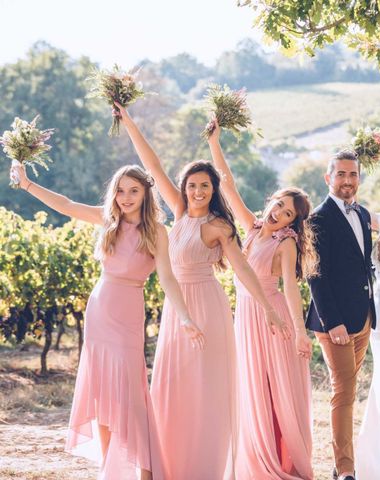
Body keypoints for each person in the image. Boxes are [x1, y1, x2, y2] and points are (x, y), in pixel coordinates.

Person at [115, 105, 284, 479]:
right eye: (192, 185)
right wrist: (128, 121)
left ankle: (202, 468)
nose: (197, 191)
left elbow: (242, 267)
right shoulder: (177, 212)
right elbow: (153, 167)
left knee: (204, 393)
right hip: (177, 310)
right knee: (170, 390)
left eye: (204, 185)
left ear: (212, 189)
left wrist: (269, 309)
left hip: (207, 309)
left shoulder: (218, 226)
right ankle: (166, 467)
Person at [10, 162, 204, 480]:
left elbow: (168, 278)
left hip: (129, 312)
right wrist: (28, 184)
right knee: (101, 393)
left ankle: (145, 472)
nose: (126, 197)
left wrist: (184, 317)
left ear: (145, 194)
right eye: (121, 191)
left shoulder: (156, 231)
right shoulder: (108, 220)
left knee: (131, 394)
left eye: (133, 191)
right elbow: (67, 205)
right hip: (99, 310)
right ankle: (109, 471)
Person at [207, 120, 316, 479]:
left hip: (273, 319)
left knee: (274, 388)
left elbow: (290, 288)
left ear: (293, 222)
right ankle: (257, 453)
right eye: (279, 205)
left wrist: (300, 332)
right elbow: (227, 182)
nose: (279, 213)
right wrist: (214, 142)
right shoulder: (252, 227)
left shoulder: (285, 242)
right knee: (253, 385)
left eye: (287, 213)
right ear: (271, 200)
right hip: (247, 316)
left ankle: (282, 459)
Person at [306, 150, 376, 480]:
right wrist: (332, 322)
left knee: (348, 388)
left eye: (353, 175)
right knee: (344, 392)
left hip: (362, 318)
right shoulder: (318, 218)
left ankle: (339, 463)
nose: (347, 181)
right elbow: (315, 275)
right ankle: (346, 470)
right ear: (328, 178)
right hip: (334, 323)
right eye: (341, 174)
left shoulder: (362, 214)